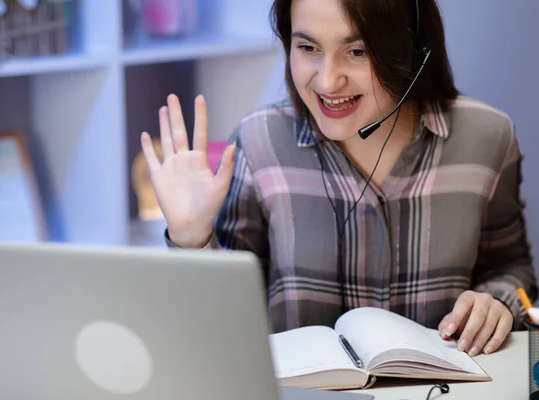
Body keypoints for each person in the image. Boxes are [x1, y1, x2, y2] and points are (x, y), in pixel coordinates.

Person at [139, 0, 538, 358]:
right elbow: (228, 317)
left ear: (413, 50)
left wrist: (498, 302)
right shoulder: (261, 143)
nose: (328, 82)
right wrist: (191, 239)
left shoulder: (487, 137)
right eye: (307, 48)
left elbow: (513, 270)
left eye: (357, 51)